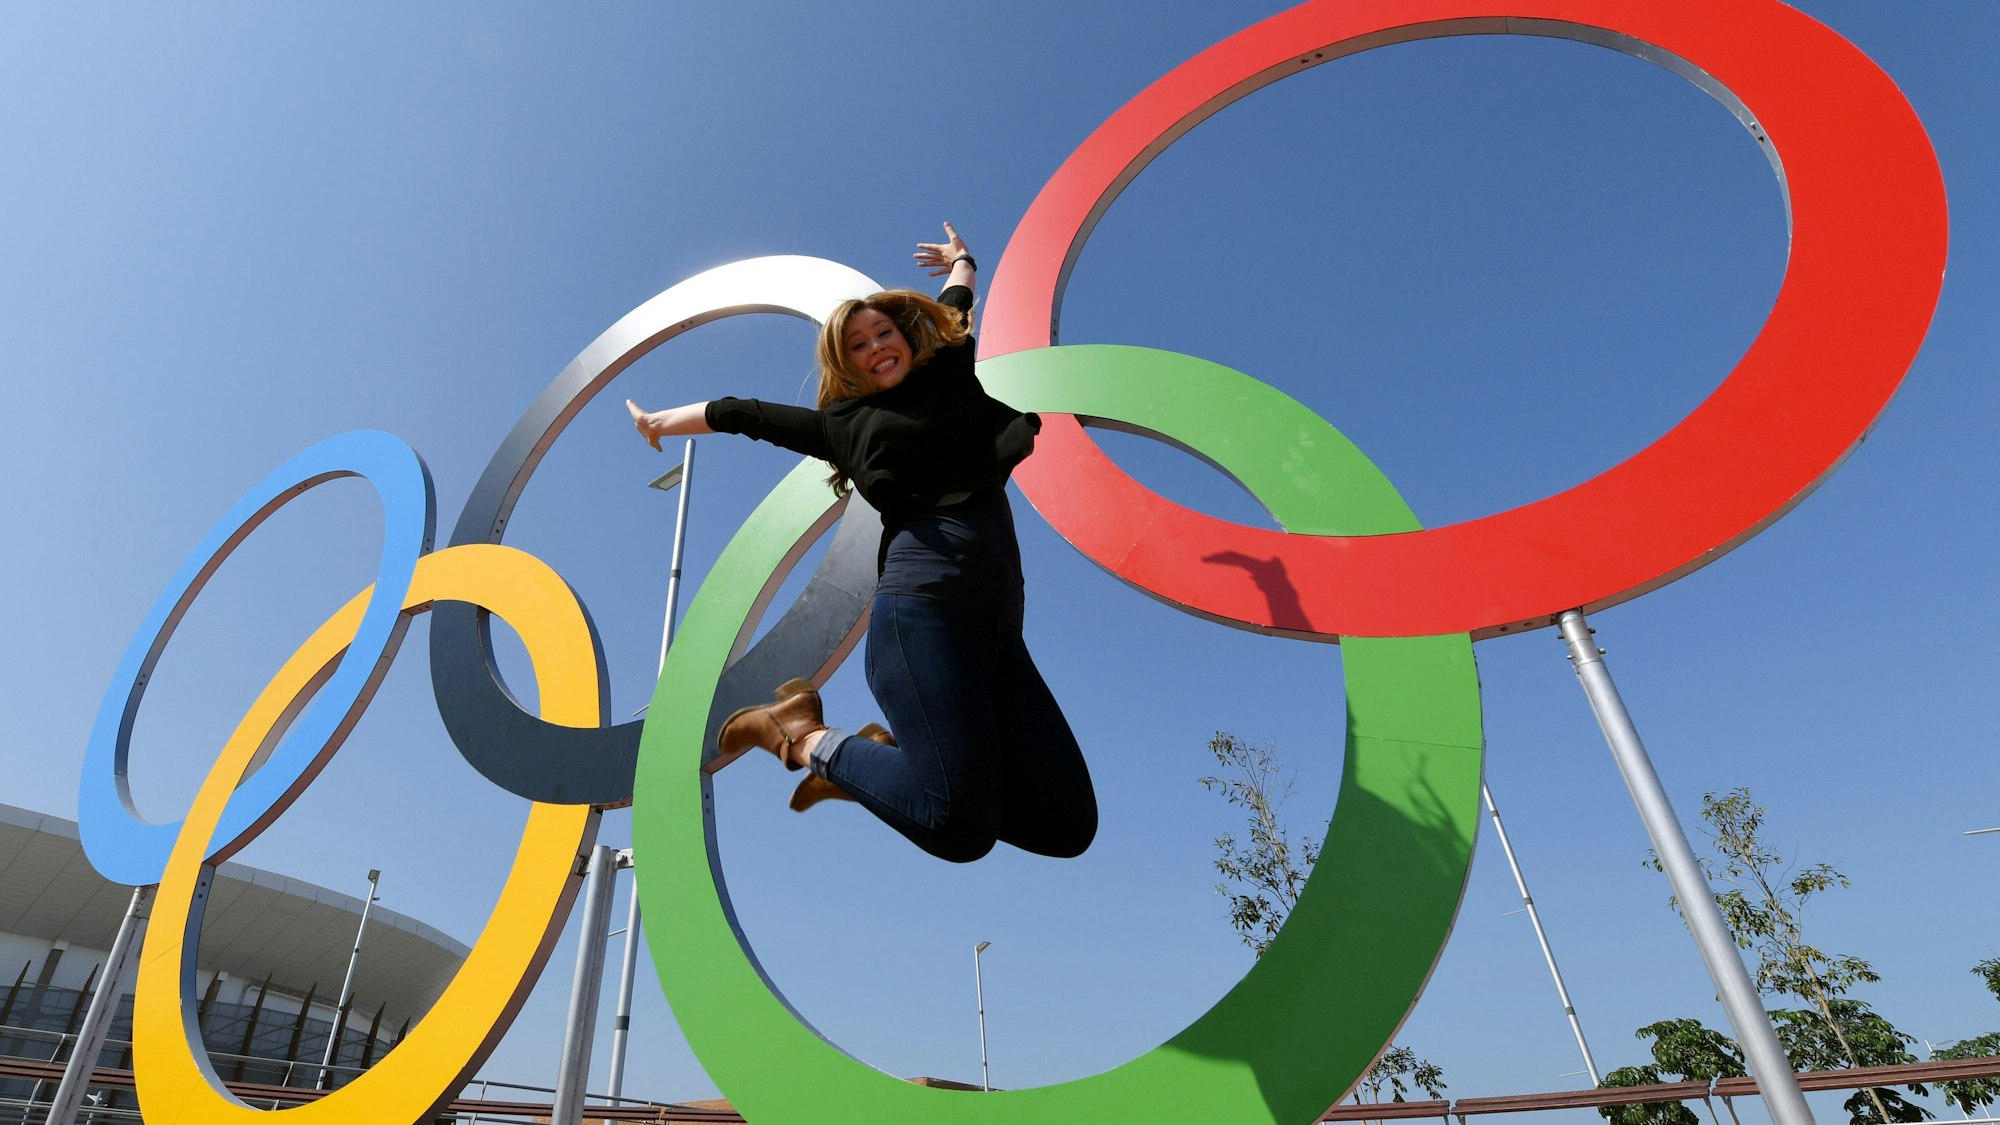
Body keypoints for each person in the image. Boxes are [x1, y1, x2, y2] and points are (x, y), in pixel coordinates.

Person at [625, 223, 1096, 864]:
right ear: (846, 364)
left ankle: (881, 764)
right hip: (922, 616)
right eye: (858, 345)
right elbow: (744, 415)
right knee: (958, 829)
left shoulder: (950, 367)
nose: (877, 347)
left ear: (905, 336)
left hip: (997, 632)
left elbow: (957, 299)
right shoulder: (843, 426)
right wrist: (659, 421)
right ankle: (804, 736)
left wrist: (963, 259)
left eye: (885, 333)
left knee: (1065, 825)